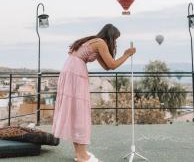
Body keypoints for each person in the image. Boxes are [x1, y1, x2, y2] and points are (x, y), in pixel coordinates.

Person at [52, 24, 136, 162]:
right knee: (80, 112)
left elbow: (106, 66)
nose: (115, 42)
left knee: (76, 111)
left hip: (71, 69)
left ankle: (81, 153)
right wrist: (127, 55)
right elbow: (112, 65)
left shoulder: (94, 41)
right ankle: (82, 156)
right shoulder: (101, 43)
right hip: (76, 72)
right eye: (115, 39)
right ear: (110, 36)